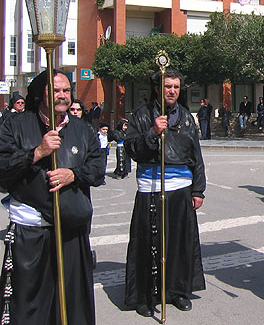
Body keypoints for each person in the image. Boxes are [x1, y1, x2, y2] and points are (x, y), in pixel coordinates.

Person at [0, 69, 105, 324]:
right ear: (41, 92)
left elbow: (97, 167)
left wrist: (73, 173)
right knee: (28, 305)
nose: (62, 96)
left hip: (70, 228)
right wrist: (37, 152)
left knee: (69, 304)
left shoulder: (82, 128)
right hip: (30, 232)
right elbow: (3, 167)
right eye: (55, 90)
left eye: (66, 90)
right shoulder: (15, 124)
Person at [124, 68, 206, 317]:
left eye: (176, 87)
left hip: (180, 188)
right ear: (158, 88)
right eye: (167, 86)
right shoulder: (141, 115)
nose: (172, 91)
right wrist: (152, 132)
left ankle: (178, 290)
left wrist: (198, 189)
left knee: (179, 242)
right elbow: (131, 148)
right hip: (151, 187)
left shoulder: (186, 117)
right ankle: (145, 296)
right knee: (148, 243)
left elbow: (195, 154)